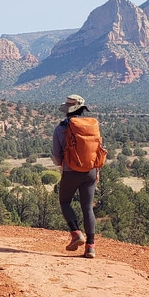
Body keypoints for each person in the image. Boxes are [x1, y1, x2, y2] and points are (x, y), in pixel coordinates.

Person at [51, 94, 98, 258]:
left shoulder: (60, 128)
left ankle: (76, 233)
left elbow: (57, 155)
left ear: (67, 110)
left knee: (64, 202)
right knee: (87, 207)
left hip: (71, 171)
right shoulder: (91, 126)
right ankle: (90, 246)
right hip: (91, 171)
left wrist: (64, 164)